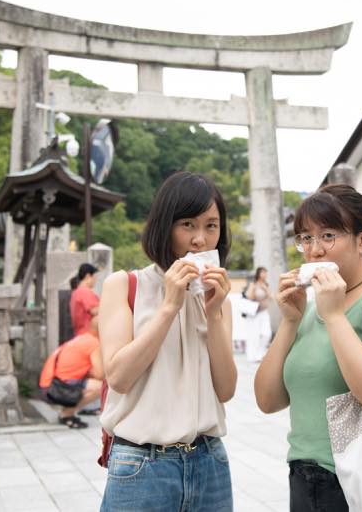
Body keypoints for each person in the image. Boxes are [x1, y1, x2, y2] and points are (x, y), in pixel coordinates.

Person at [254, 184, 362, 512]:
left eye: (328, 235)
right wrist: (289, 321)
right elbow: (268, 400)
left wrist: (334, 316)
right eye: (305, 237)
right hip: (304, 476)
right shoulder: (310, 305)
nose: (314, 250)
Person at [98, 171, 236, 511]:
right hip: (143, 464)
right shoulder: (124, 285)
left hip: (209, 460)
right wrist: (169, 306)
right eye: (187, 224)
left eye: (211, 226)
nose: (200, 240)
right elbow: (118, 377)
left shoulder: (220, 299)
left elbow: (226, 390)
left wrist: (214, 313)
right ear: (165, 226)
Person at [38, 315, 103, 429]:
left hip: (48, 384)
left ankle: (69, 413)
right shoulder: (93, 343)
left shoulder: (83, 338)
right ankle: (67, 415)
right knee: (101, 386)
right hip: (55, 389)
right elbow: (100, 374)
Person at [243, 266, 272, 362]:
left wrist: (265, 288)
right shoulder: (253, 284)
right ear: (258, 274)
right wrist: (255, 288)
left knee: (267, 334)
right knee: (254, 336)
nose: (265, 275)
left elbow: (271, 297)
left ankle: (261, 354)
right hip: (254, 313)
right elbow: (249, 297)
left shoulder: (266, 285)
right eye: (263, 272)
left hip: (264, 312)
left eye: (266, 272)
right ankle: (254, 356)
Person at [70, 263, 100, 337]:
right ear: (88, 276)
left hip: (81, 335)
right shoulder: (85, 292)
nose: (95, 280)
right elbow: (95, 310)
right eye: (94, 277)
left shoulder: (76, 292)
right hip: (88, 335)